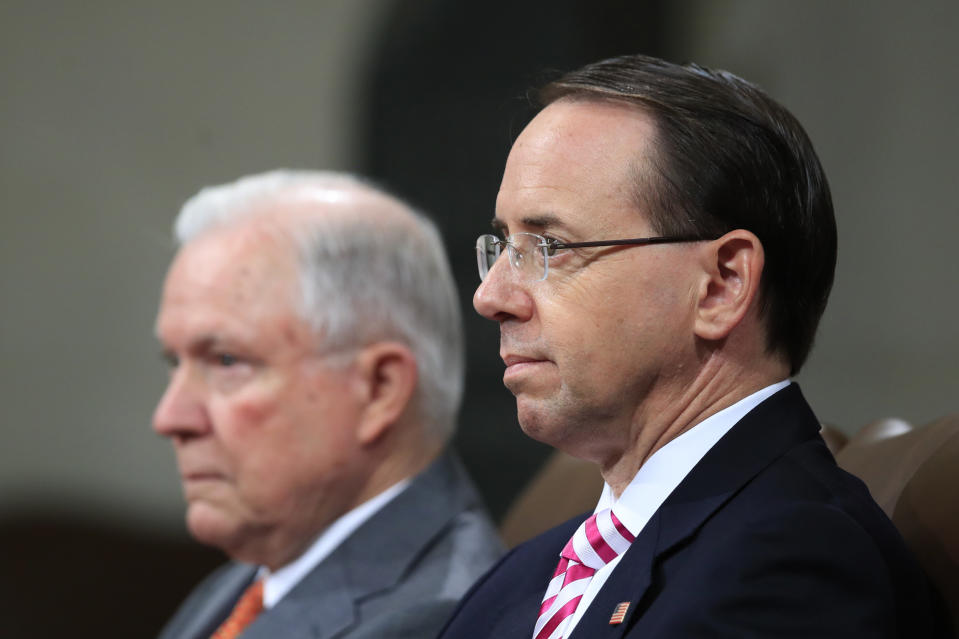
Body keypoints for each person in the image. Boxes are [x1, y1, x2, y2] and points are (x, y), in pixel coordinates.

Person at [439, 54, 945, 638]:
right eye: (504, 244)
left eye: (550, 246)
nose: (491, 295)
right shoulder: (522, 575)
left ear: (721, 286)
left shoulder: (792, 566)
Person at [152, 170, 503, 639]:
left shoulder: (437, 619)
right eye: (175, 362)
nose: (171, 418)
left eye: (226, 360)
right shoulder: (246, 583)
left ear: (379, 389)